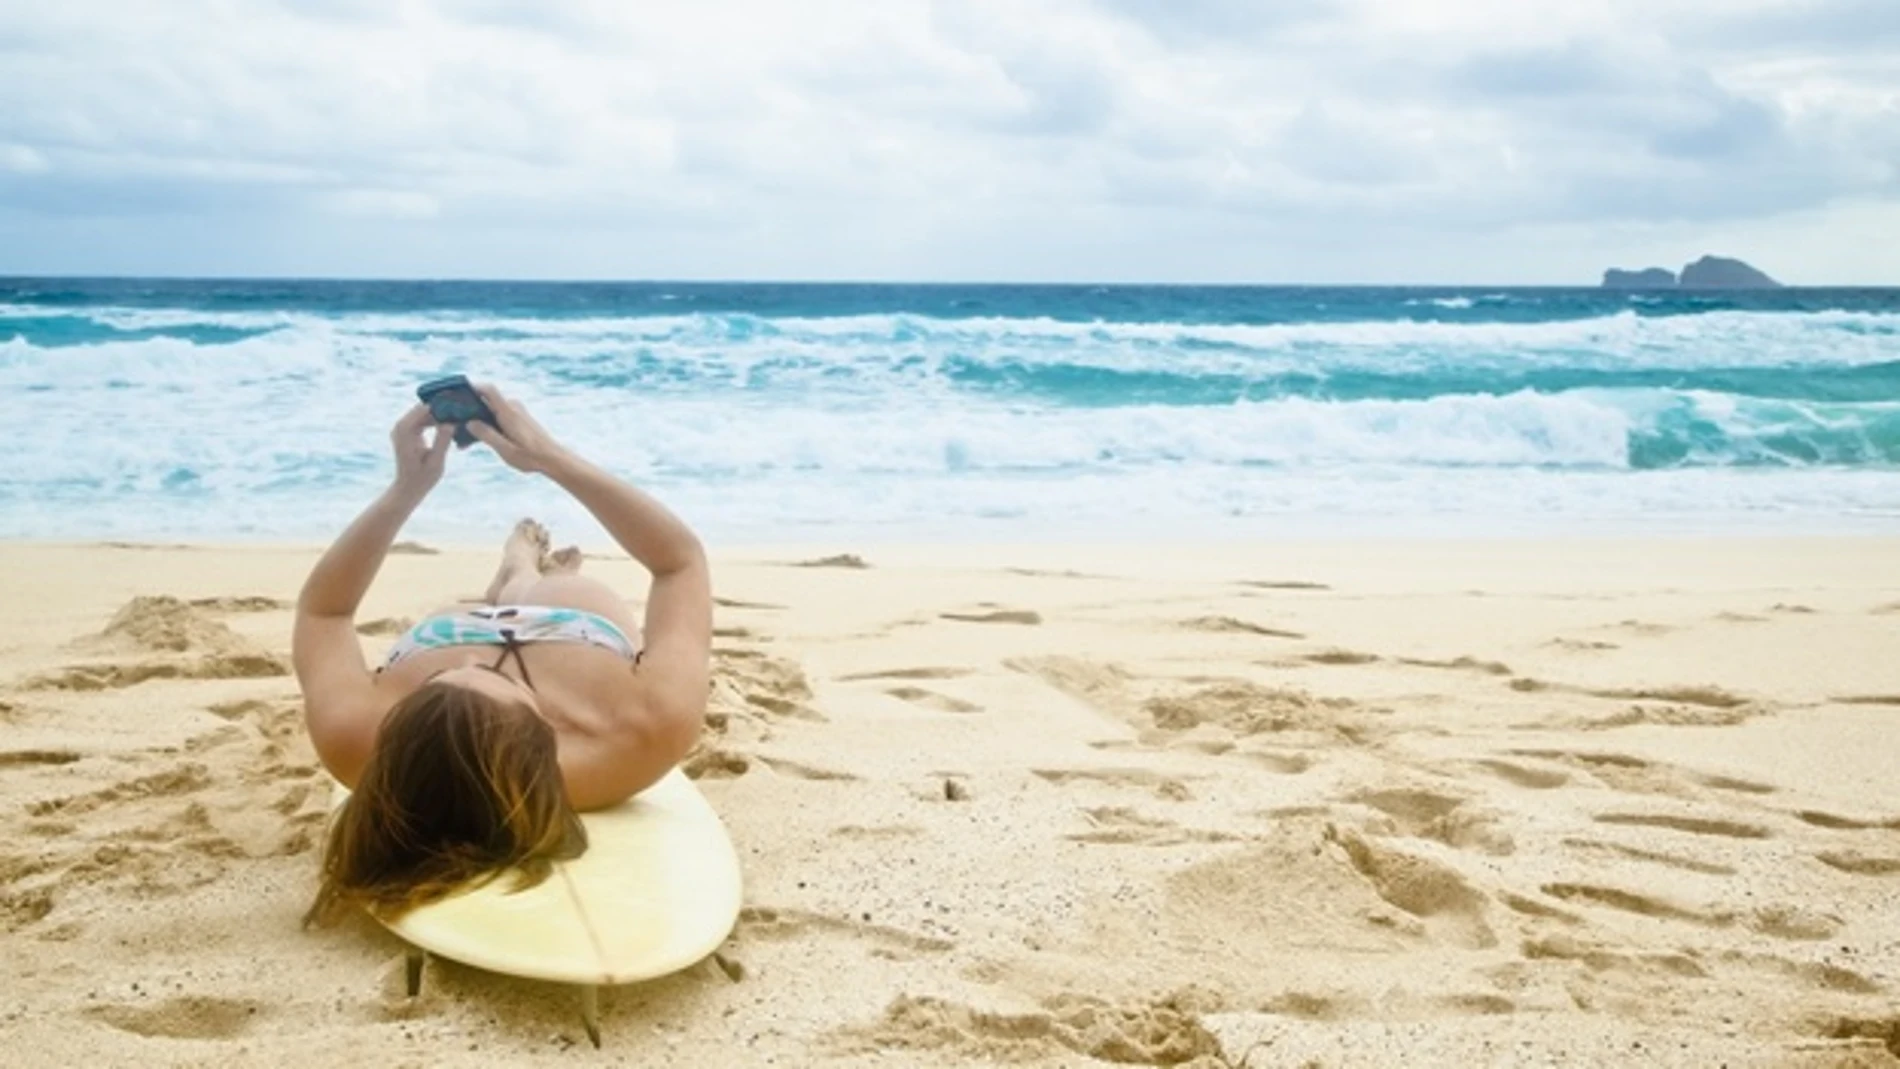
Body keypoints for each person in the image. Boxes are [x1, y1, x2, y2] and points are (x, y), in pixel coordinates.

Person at [295, 383, 711, 925]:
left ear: (396, 733)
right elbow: (679, 563)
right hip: (573, 625)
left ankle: (517, 570)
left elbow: (323, 613)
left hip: (446, 629)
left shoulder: (352, 737)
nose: (478, 660)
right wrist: (549, 458)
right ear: (546, 740)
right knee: (551, 590)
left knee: (515, 590)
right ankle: (529, 574)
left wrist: (406, 491)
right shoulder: (642, 732)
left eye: (442, 679)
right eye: (508, 682)